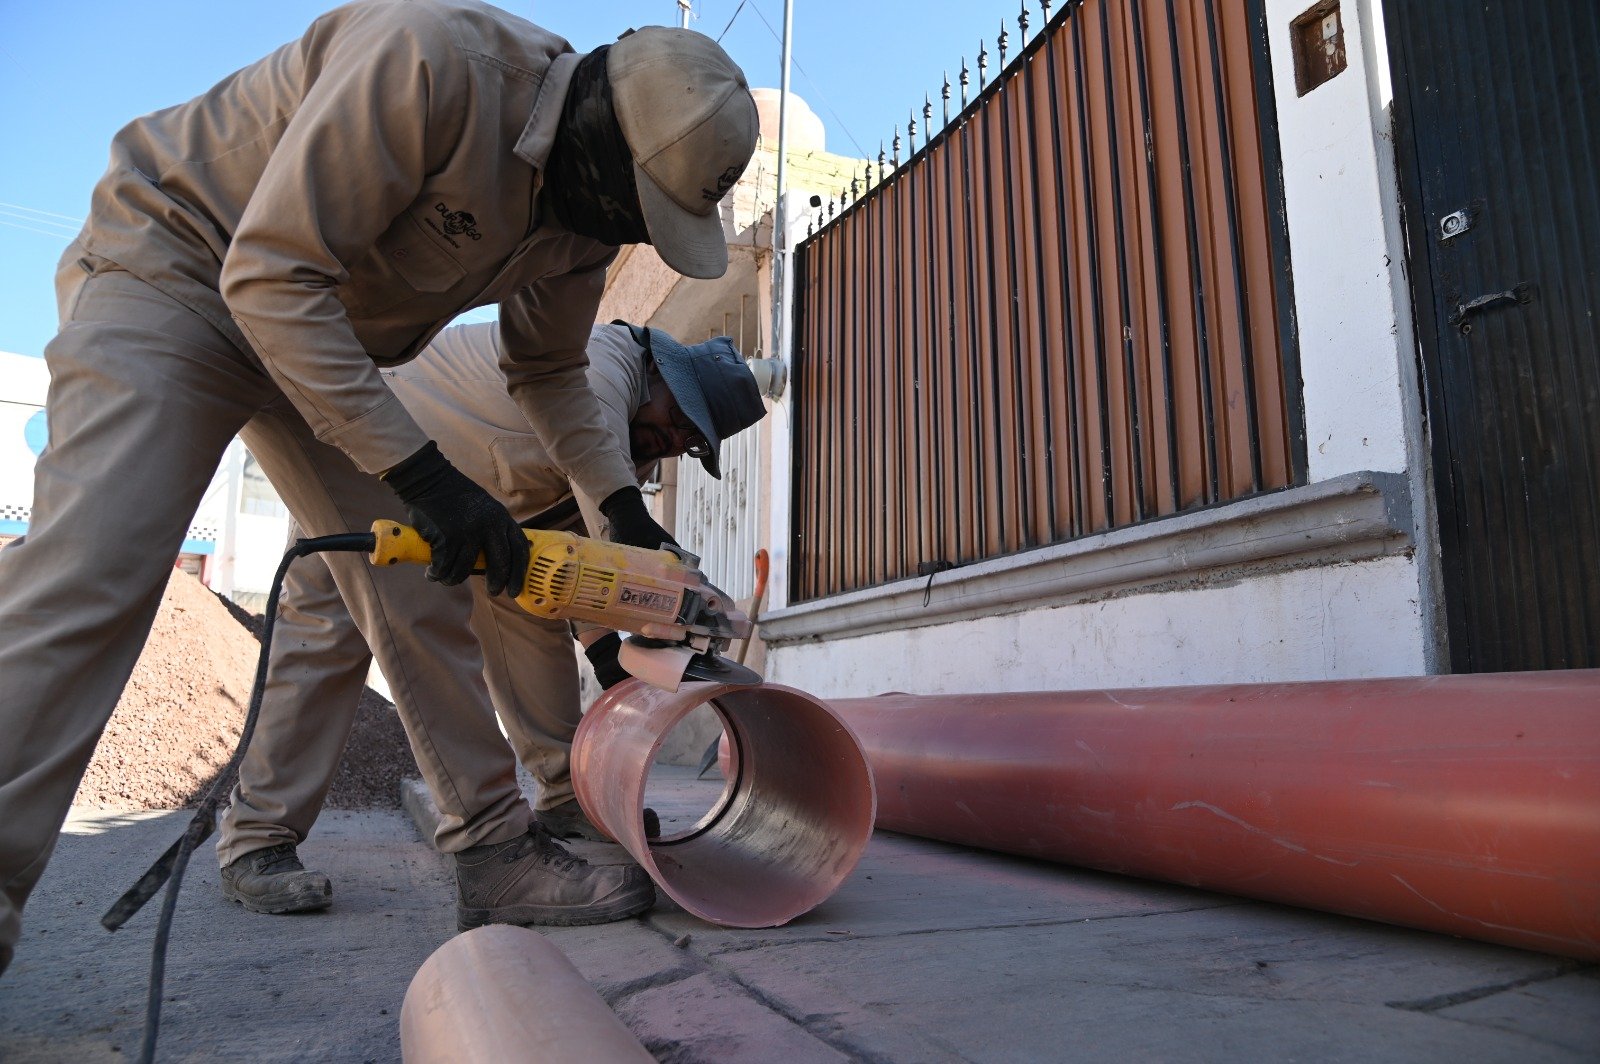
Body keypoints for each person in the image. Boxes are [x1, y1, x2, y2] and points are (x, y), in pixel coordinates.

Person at [0, 0, 758, 975]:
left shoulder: (588, 225)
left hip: (328, 341)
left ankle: (493, 850)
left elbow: (546, 368)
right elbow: (269, 277)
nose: (621, 236)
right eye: (630, 210)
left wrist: (624, 515)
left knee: (414, 592)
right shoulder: (435, 63)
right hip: (183, 267)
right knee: (97, 572)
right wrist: (429, 479)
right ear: (597, 136)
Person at [216, 320, 766, 916]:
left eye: (690, 441)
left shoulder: (629, 459)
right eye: (679, 418)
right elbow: (603, 486)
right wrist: (666, 582)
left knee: (533, 625)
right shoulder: (602, 359)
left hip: (488, 527)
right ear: (660, 371)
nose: (673, 439)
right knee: (334, 640)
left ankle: (566, 794)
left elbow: (584, 565)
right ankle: (258, 840)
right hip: (373, 471)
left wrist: (610, 655)